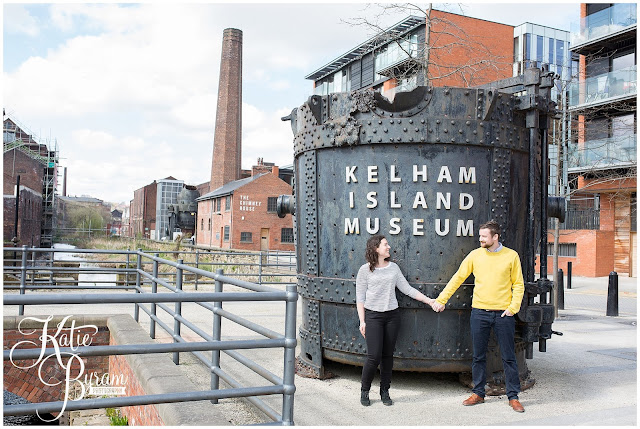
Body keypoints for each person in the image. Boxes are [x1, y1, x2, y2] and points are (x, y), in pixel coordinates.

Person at [430, 220, 526, 413]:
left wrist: (513, 309)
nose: (480, 239)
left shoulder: (511, 256)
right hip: (480, 312)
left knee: (508, 357)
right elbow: (458, 277)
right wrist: (442, 299)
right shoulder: (475, 255)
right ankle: (478, 393)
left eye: (483, 236)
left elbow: (518, 284)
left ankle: (513, 396)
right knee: (478, 356)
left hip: (503, 314)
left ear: (495, 237)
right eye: (480, 236)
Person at [356, 235, 435, 407]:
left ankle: (385, 391)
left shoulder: (394, 268)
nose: (388, 247)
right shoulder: (365, 270)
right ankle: (365, 390)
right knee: (373, 356)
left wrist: (429, 300)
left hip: (392, 316)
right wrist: (362, 321)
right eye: (385, 244)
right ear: (376, 248)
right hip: (373, 316)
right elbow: (360, 298)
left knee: (387, 356)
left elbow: (407, 289)